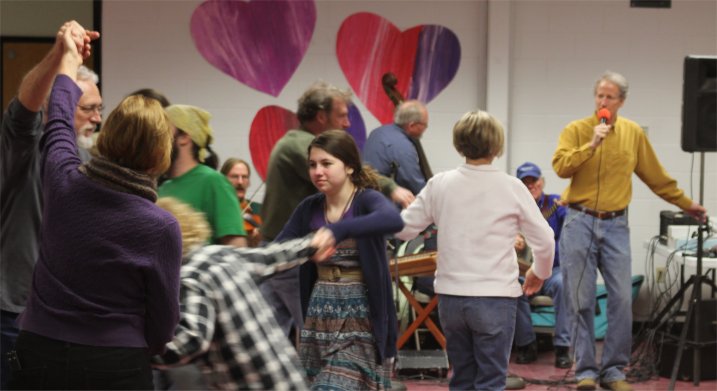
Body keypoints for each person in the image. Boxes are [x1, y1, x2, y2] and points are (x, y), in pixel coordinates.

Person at [9, 24, 182, 390]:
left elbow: (57, 114)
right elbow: (164, 321)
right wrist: (129, 343)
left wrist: (68, 56)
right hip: (115, 360)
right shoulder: (161, 225)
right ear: (159, 155)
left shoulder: (63, 181)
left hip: (40, 350)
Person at [552, 71, 707, 391]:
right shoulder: (577, 130)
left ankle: (613, 371)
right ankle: (585, 371)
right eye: (599, 96)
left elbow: (656, 176)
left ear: (621, 101)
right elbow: (561, 166)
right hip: (579, 220)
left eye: (610, 97)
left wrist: (687, 204)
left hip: (616, 224)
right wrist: (591, 144)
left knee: (621, 298)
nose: (603, 102)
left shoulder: (633, 133)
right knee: (579, 298)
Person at [396, 110, 555, 390]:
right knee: (491, 381)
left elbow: (404, 229)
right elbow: (545, 238)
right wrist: (539, 272)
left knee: (462, 378)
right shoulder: (512, 187)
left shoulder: (440, 184)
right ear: (497, 146)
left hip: (451, 299)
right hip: (495, 298)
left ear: (459, 144)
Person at [259, 81, 414, 337]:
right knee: (315, 334)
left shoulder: (294, 142)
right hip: (292, 257)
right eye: (341, 115)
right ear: (321, 116)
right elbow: (346, 169)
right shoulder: (301, 144)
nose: (347, 123)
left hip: (285, 253)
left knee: (275, 339)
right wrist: (389, 187)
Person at [0, 21, 101, 389]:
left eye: (100, 108)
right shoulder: (27, 143)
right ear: (57, 106)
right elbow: (25, 108)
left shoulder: (85, 160)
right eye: (88, 108)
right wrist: (61, 56)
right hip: (16, 313)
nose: (98, 118)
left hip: (63, 316)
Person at [154, 197, 336, 390]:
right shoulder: (219, 254)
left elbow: (190, 342)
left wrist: (139, 351)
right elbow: (271, 256)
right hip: (289, 379)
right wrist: (310, 244)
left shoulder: (188, 277)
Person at [276, 130, 404, 389]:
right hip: (319, 312)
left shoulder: (366, 199)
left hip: (360, 314)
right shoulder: (309, 207)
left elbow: (394, 219)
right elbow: (279, 248)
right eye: (312, 165)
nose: (317, 171)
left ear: (349, 167)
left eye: (326, 163)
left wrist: (338, 230)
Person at [159, 104, 247, 246]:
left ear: (184, 138)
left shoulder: (214, 182)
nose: (157, 138)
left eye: (164, 130)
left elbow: (237, 248)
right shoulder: (163, 188)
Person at [512, 162, 571, 369]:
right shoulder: (511, 208)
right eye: (525, 182)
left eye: (534, 181)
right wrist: (510, 240)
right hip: (522, 271)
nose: (530, 186)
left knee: (564, 284)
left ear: (541, 182)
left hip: (552, 271)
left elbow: (570, 225)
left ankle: (563, 348)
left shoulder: (554, 203)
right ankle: (526, 345)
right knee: (512, 287)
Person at [363, 99, 432, 195]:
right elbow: (414, 183)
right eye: (425, 125)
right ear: (411, 125)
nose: (425, 129)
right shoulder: (403, 147)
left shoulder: (377, 132)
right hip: (382, 199)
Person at [220, 157, 263, 246]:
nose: (240, 182)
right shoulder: (217, 210)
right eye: (235, 176)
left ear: (249, 182)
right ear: (223, 180)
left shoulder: (261, 210)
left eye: (244, 177)